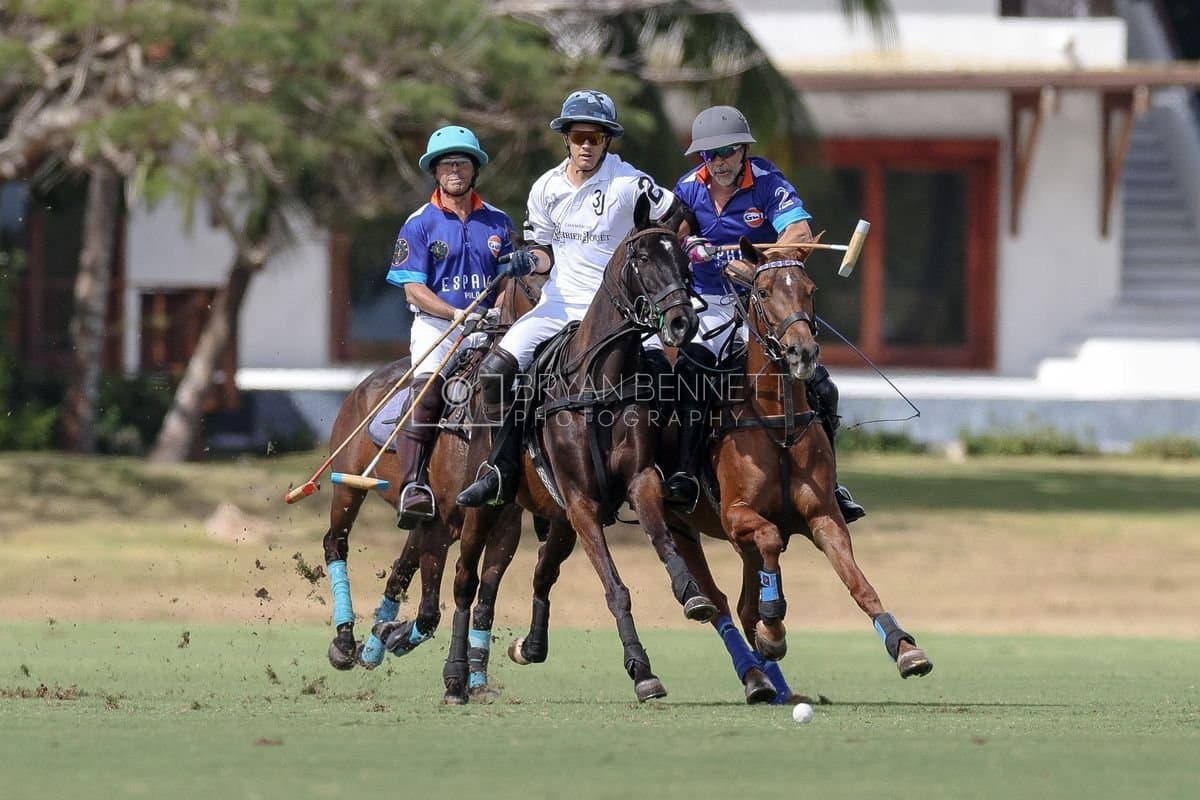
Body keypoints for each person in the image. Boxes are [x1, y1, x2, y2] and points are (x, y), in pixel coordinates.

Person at [456, 89, 683, 507]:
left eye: (595, 138)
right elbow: (545, 252)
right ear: (566, 138)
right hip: (559, 305)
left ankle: (669, 472)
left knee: (665, 376)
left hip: (620, 313)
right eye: (579, 137)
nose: (586, 146)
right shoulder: (545, 188)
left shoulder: (629, 183)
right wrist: (528, 260)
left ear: (607, 141)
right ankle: (501, 469)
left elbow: (675, 216)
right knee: (494, 371)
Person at [651, 105, 865, 522]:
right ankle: (686, 474)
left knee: (822, 386)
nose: (718, 162)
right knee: (691, 372)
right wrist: (689, 244)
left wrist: (759, 268)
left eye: (727, 152)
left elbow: (798, 232)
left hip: (762, 303)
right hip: (709, 303)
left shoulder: (768, 182)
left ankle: (831, 484)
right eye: (709, 154)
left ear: (743, 150)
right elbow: (672, 233)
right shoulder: (689, 187)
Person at [386, 125, 515, 528]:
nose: (454, 170)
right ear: (435, 171)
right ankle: (413, 486)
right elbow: (412, 288)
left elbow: (509, 280)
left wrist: (498, 310)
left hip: (490, 327)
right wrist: (453, 314)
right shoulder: (419, 222)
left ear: (475, 169)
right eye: (446, 164)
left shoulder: (498, 221)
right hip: (437, 327)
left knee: (526, 387)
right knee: (427, 391)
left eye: (462, 163)